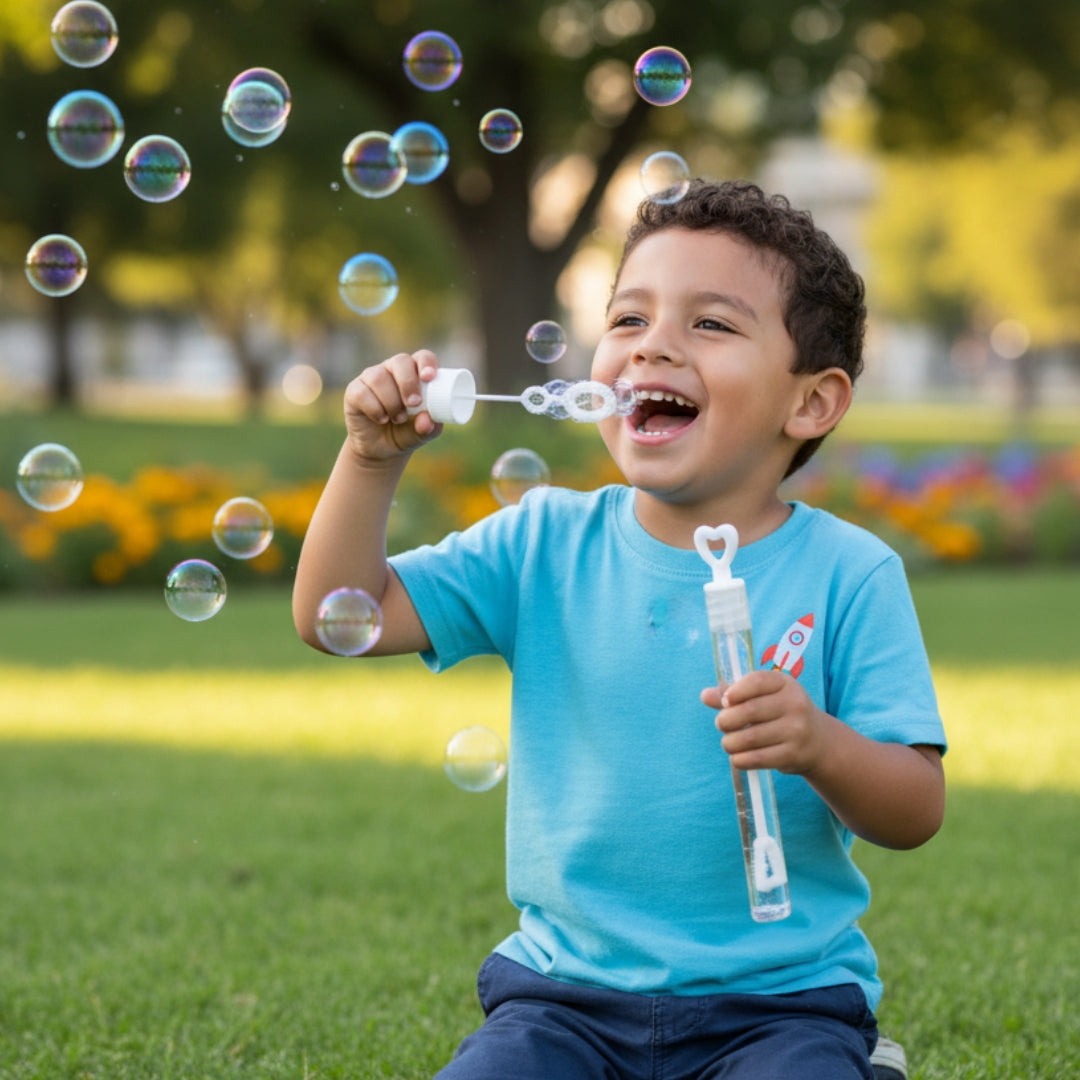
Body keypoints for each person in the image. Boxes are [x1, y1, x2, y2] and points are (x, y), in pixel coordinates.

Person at [292, 179, 946, 1080]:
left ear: (811, 403)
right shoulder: (545, 542)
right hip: (564, 1002)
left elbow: (914, 810)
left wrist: (819, 744)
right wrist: (369, 460)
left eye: (710, 325)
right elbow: (341, 618)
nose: (654, 348)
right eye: (628, 319)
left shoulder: (849, 573)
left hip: (780, 1004)